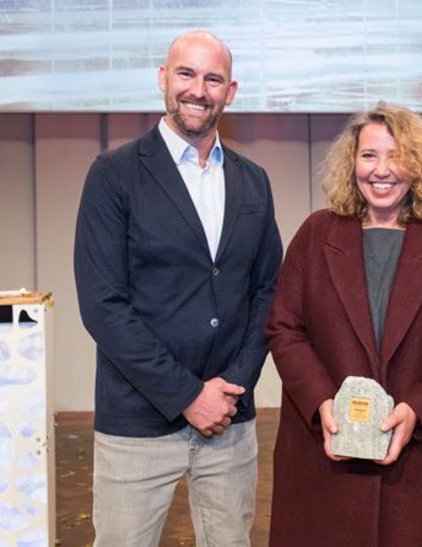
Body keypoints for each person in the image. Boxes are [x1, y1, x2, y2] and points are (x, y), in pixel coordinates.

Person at [74, 30, 282, 546]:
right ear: (163, 79)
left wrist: (232, 387)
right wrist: (188, 395)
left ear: (231, 92)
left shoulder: (253, 181)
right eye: (186, 74)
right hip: (137, 422)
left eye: (213, 79)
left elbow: (268, 291)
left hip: (230, 423)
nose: (198, 89)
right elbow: (103, 305)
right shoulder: (113, 174)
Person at [265, 102, 422, 546]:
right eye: (369, 155)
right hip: (326, 456)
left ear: (419, 164)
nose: (382, 170)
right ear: (351, 163)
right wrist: (322, 403)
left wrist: (417, 410)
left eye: (397, 156)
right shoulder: (315, 234)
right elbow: (285, 328)